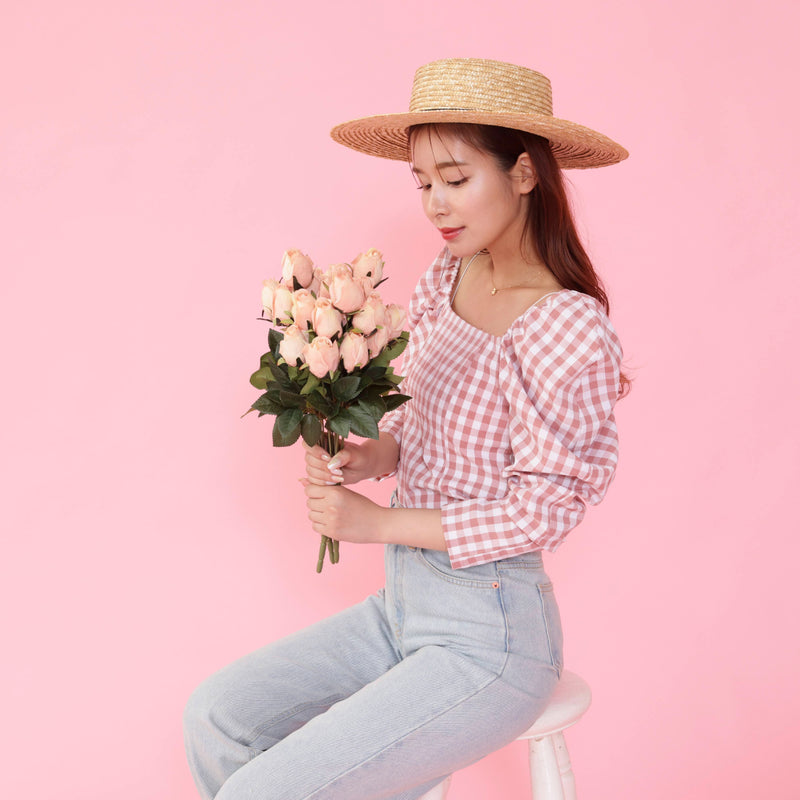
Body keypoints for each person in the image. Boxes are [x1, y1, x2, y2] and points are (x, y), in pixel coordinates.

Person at [184, 57, 628, 800]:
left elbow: (540, 510)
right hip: (401, 611)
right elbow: (422, 415)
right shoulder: (446, 277)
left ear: (523, 174)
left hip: (492, 640)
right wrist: (376, 454)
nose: (435, 203)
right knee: (219, 717)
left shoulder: (566, 326)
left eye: (456, 178)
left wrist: (377, 523)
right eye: (422, 182)